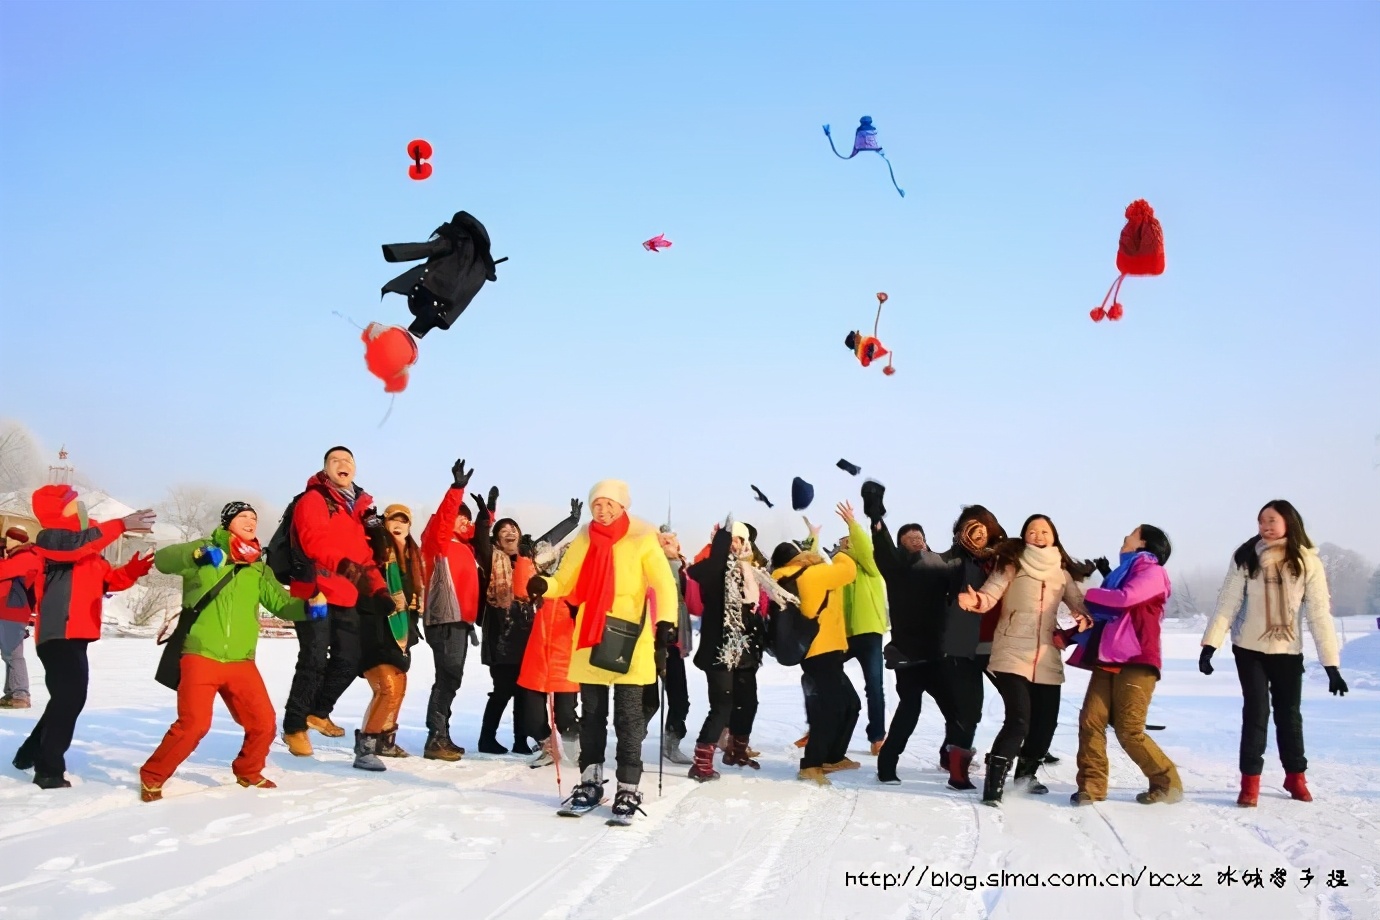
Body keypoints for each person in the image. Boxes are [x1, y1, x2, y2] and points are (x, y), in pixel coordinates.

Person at [140, 503, 316, 800]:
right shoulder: (204, 551)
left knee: (263, 722)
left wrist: (309, 607)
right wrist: (195, 555)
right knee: (194, 725)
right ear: (228, 522)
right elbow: (163, 560)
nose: (250, 522)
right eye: (243, 517)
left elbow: (281, 604)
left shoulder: (258, 568)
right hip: (200, 654)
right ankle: (153, 776)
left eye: (254, 518)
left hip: (241, 660)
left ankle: (248, 771)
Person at [527, 480, 678, 824]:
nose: (603, 510)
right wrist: (544, 585)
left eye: (610, 504)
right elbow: (565, 580)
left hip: (630, 638)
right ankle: (590, 782)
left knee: (629, 718)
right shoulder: (584, 537)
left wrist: (666, 622)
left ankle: (628, 786)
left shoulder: (641, 538)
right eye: (598, 504)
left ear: (623, 506)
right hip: (590, 636)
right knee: (592, 717)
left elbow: (663, 584)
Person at [1200, 500, 1346, 807]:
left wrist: (1331, 665)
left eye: (1271, 520)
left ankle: (1295, 776)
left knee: (1289, 715)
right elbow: (1228, 602)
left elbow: (1319, 614)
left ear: (1289, 523)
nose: (1265, 526)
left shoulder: (1307, 562)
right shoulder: (1246, 557)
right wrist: (1211, 645)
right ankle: (1249, 781)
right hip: (1249, 648)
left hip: (1287, 649)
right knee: (1256, 712)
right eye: (1261, 521)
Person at [8, 486, 155, 788]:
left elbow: (109, 579)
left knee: (66, 699)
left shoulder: (88, 551)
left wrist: (132, 570)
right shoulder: (51, 541)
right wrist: (120, 525)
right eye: (73, 505)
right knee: (69, 699)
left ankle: (29, 753)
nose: (81, 509)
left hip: (77, 635)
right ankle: (48, 770)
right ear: (57, 512)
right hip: (57, 634)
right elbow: (74, 546)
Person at [958, 514, 1091, 806]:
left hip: (1046, 653)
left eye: (1044, 531)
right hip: (1011, 650)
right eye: (1032, 530)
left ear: (1054, 536)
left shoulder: (1062, 571)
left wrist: (1083, 616)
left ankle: (1026, 775)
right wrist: (975, 602)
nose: (1038, 535)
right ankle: (993, 785)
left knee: (1046, 723)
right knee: (1019, 720)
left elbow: (1077, 604)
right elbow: (990, 594)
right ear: (1024, 535)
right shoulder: (1011, 564)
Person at [282, 447, 393, 757]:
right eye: (335, 461)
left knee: (350, 659)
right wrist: (344, 565)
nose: (342, 465)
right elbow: (312, 541)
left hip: (347, 594)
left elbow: (366, 557)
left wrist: (380, 590)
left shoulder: (357, 510)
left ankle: (317, 711)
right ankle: (294, 726)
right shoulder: (314, 500)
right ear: (326, 468)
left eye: (348, 461)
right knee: (314, 659)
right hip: (315, 589)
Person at [1068, 525, 1181, 805]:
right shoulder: (1123, 574)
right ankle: (1091, 786)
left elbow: (1126, 599)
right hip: (1108, 656)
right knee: (1090, 721)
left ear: (1144, 543)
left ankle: (1166, 781)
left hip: (1137, 658)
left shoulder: (1154, 572)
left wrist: (1085, 593)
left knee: (1129, 730)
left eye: (1132, 533)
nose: (1125, 536)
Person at [865, 507, 966, 788]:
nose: (916, 540)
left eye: (919, 536)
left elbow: (958, 578)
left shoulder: (938, 567)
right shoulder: (896, 568)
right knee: (909, 711)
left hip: (937, 653)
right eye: (909, 537)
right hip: (909, 656)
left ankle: (950, 758)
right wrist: (876, 519)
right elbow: (882, 548)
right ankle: (887, 764)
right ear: (900, 545)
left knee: (956, 711)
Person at [685, 521, 794, 781]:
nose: (734, 544)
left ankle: (737, 751)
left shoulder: (753, 571)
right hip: (720, 651)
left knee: (748, 703)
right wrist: (717, 548)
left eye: (738, 539)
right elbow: (698, 571)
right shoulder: (712, 569)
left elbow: (756, 604)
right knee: (722, 705)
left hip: (746, 650)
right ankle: (701, 763)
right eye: (729, 539)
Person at [479, 499, 582, 755]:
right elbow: (480, 542)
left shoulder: (531, 559)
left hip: (528, 634)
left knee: (526, 692)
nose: (510, 533)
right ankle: (486, 738)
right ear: (496, 540)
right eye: (503, 531)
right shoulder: (493, 559)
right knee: (503, 690)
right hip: (502, 636)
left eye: (513, 528)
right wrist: (486, 517)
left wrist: (572, 521)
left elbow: (549, 541)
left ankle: (520, 740)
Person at [771, 518, 860, 787]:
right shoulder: (811, 575)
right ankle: (811, 765)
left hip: (821, 652)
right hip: (822, 652)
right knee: (829, 710)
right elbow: (848, 571)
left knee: (849, 704)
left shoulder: (787, 579)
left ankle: (832, 757)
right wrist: (843, 550)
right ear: (799, 558)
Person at [418, 459, 493, 761]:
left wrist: (488, 515)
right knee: (448, 675)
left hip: (461, 620)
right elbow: (445, 517)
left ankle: (441, 734)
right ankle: (435, 737)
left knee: (453, 677)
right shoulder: (438, 541)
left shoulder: (465, 547)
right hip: (444, 615)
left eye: (467, 519)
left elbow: (481, 537)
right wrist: (456, 491)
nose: (465, 523)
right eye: (461, 519)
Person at [353, 505, 426, 771]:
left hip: (401, 630)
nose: (398, 524)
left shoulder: (412, 556)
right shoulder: (378, 549)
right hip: (374, 628)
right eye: (392, 520)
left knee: (399, 686)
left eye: (404, 520)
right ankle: (366, 747)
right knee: (386, 688)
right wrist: (371, 527)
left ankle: (385, 739)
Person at [519, 540, 582, 768]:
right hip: (537, 656)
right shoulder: (540, 582)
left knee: (566, 716)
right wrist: (525, 559)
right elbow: (520, 588)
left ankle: (578, 755)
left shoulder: (578, 586)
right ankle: (548, 747)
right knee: (533, 716)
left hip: (565, 657)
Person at [838, 503, 889, 757]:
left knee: (874, 686)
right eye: (842, 543)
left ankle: (878, 736)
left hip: (869, 632)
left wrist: (853, 524)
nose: (844, 545)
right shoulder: (840, 570)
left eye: (849, 541)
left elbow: (867, 549)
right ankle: (819, 727)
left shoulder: (870, 567)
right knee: (822, 675)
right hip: (844, 634)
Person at [649, 526, 694, 765]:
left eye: (672, 540)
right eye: (663, 539)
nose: (668, 542)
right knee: (647, 699)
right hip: (649, 640)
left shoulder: (684, 570)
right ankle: (632, 739)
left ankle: (672, 741)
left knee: (679, 697)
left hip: (674, 642)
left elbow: (694, 603)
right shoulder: (649, 566)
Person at [0, 526, 36, 709]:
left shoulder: (26, 557)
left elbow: (3, 572)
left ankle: (21, 694)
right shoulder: (16, 557)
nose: (7, 543)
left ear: (18, 541)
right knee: (8, 654)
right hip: (7, 610)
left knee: (13, 654)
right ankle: (11, 693)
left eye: (9, 540)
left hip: (13, 611)